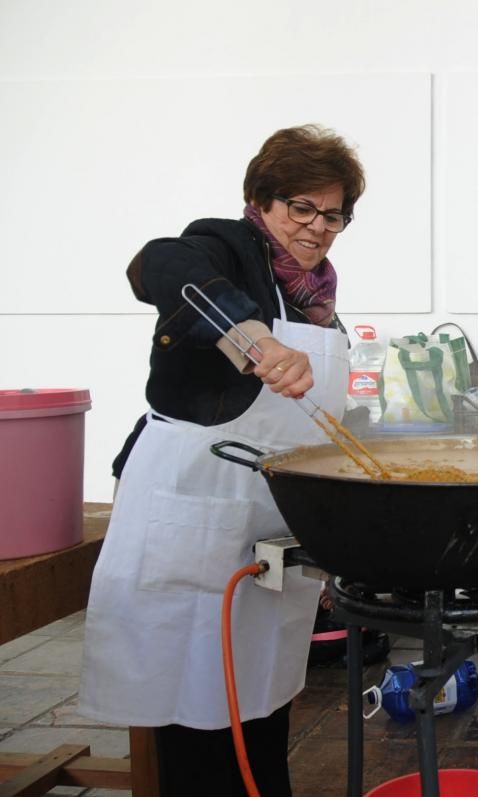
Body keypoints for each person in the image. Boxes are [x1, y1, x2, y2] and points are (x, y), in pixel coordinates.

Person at [80, 125, 365, 797]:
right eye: (301, 207)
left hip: (264, 532)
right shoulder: (223, 248)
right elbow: (158, 264)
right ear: (261, 201)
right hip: (193, 513)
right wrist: (254, 338)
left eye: (333, 214)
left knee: (259, 698)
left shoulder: (315, 298)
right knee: (195, 707)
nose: (318, 226)